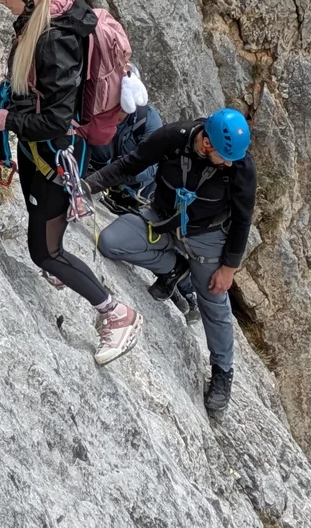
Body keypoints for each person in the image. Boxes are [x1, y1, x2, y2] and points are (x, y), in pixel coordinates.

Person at [0, 0, 142, 367]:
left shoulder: (54, 39)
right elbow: (35, 95)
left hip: (56, 155)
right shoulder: (43, 16)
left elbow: (55, 119)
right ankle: (59, 263)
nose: (1, 1)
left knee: (43, 250)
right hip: (39, 152)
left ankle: (116, 313)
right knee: (41, 221)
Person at [87, 108, 255, 419]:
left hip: (207, 237)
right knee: (110, 242)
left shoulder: (240, 164)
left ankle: (222, 372)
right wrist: (85, 187)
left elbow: (243, 220)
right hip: (162, 220)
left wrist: (228, 268)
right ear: (206, 143)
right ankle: (174, 268)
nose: (231, 163)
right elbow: (129, 165)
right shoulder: (173, 138)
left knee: (214, 298)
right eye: (225, 157)